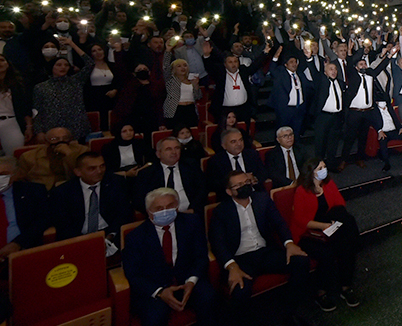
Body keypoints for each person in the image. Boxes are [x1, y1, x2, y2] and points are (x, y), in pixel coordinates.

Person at [208, 171, 318, 326]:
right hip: (241, 259)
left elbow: (279, 223)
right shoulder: (221, 211)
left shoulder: (262, 199)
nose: (244, 186)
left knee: (301, 262)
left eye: (246, 182)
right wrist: (231, 266)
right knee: (240, 290)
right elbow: (217, 242)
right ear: (229, 191)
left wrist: (289, 243)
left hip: (265, 252)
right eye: (238, 185)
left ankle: (288, 312)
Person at [123, 188, 216, 326]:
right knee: (154, 317)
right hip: (156, 287)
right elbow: (133, 274)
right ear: (149, 212)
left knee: (209, 299)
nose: (165, 211)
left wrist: (191, 281)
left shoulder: (192, 223)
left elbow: (200, 256)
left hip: (187, 280)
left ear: (177, 207)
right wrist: (160, 292)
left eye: (170, 206)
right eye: (159, 208)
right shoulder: (135, 237)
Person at [290, 160, 361, 311]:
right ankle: (321, 292)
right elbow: (300, 219)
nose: (324, 170)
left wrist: (332, 222)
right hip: (308, 232)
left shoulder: (328, 183)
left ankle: (345, 286)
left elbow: (339, 203)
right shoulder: (302, 191)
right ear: (311, 172)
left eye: (324, 167)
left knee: (346, 245)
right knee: (326, 254)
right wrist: (323, 226)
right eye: (320, 168)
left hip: (328, 225)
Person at [49, 152, 132, 243]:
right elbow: (63, 225)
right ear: (78, 172)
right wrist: (85, 242)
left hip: (110, 235)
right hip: (76, 239)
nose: (99, 171)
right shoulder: (62, 192)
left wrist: (110, 236)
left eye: (102, 166)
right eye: (92, 168)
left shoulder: (116, 183)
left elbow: (124, 214)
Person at [32, 36, 93, 142]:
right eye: (59, 65)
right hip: (53, 128)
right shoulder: (40, 87)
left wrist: (72, 44)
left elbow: (90, 64)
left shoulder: (75, 81)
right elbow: (37, 111)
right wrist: (39, 131)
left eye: (66, 65)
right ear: (52, 68)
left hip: (77, 127)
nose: (63, 67)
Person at [134, 137, 206, 214]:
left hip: (189, 213)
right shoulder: (147, 173)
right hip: (160, 217)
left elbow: (203, 189)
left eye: (177, 148)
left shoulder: (191, 165)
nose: (174, 152)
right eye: (168, 149)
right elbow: (140, 201)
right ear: (158, 154)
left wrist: (193, 209)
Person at [0, 156, 49, 261]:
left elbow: (42, 220)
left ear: (15, 174)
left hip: (22, 251)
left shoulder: (33, 191)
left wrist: (18, 243)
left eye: (3, 174)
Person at [18, 127, 88, 190]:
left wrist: (69, 154)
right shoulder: (29, 156)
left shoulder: (82, 151)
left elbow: (85, 173)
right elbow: (21, 180)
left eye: (65, 138)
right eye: (54, 139)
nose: (61, 141)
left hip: (72, 189)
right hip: (43, 191)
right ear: (46, 142)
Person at [207, 128, 267, 199]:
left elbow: (263, 173)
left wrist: (254, 179)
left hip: (254, 193)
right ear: (224, 146)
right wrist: (236, 183)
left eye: (241, 140)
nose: (239, 144)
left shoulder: (252, 154)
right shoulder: (215, 161)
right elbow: (213, 184)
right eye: (233, 142)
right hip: (230, 198)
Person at [311, 62, 345, 171]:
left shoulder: (340, 83)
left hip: (336, 117)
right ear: (325, 72)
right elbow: (314, 72)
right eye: (330, 69)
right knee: (320, 143)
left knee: (333, 143)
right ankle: (319, 167)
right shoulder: (322, 81)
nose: (334, 71)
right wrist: (310, 59)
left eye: (335, 69)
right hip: (323, 117)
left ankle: (331, 165)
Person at [163, 43, 201, 131]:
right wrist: (168, 51)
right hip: (176, 110)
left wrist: (196, 87)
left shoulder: (191, 80)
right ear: (174, 69)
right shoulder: (171, 80)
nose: (183, 68)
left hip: (190, 110)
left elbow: (198, 97)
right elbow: (165, 68)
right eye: (179, 66)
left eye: (185, 65)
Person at [0, 54, 32, 155]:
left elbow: (25, 107)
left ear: (8, 64)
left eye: (1, 60)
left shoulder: (18, 85)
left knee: (15, 154)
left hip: (11, 121)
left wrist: (29, 126)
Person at [372, 100, 402, 171]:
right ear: (377, 102)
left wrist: (400, 128)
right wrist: (379, 131)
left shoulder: (389, 108)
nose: (383, 102)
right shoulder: (374, 111)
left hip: (394, 131)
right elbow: (373, 122)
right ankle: (386, 163)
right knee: (382, 140)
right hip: (384, 132)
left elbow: (396, 119)